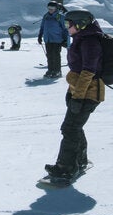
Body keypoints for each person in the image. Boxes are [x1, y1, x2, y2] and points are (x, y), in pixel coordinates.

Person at [44, 10, 105, 181]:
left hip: (89, 93)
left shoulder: (90, 42)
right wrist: (72, 92)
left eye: (68, 24)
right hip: (80, 91)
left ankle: (66, 167)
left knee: (69, 128)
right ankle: (80, 160)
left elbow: (88, 72)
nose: (66, 28)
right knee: (75, 126)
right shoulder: (82, 39)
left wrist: (77, 97)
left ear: (80, 24)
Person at [37, 1, 69, 79]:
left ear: (56, 8)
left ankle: (57, 71)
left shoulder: (60, 17)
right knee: (49, 55)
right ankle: (50, 70)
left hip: (57, 39)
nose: (50, 10)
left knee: (56, 55)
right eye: (49, 8)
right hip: (48, 39)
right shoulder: (46, 16)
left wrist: (65, 39)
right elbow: (42, 27)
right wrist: (40, 35)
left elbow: (65, 29)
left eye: (52, 8)